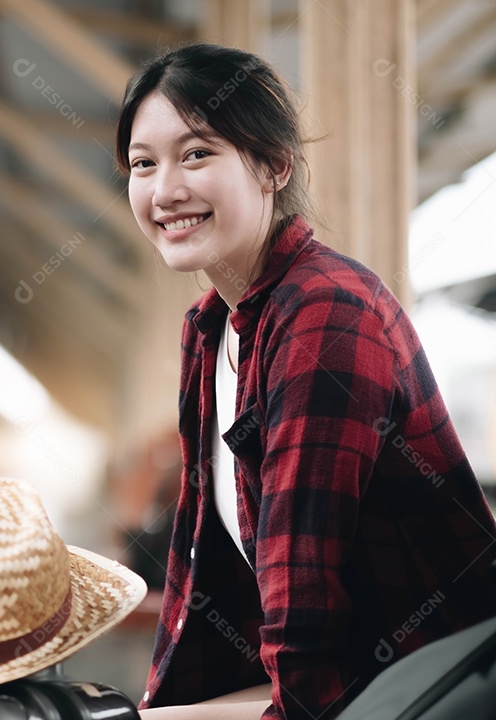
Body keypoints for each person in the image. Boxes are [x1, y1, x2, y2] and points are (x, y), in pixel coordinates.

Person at [115, 43, 496, 720]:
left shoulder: (326, 311)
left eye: (197, 153)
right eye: (143, 164)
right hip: (358, 689)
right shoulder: (210, 330)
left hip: (435, 695)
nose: (164, 189)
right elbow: (199, 566)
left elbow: (303, 604)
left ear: (273, 166)